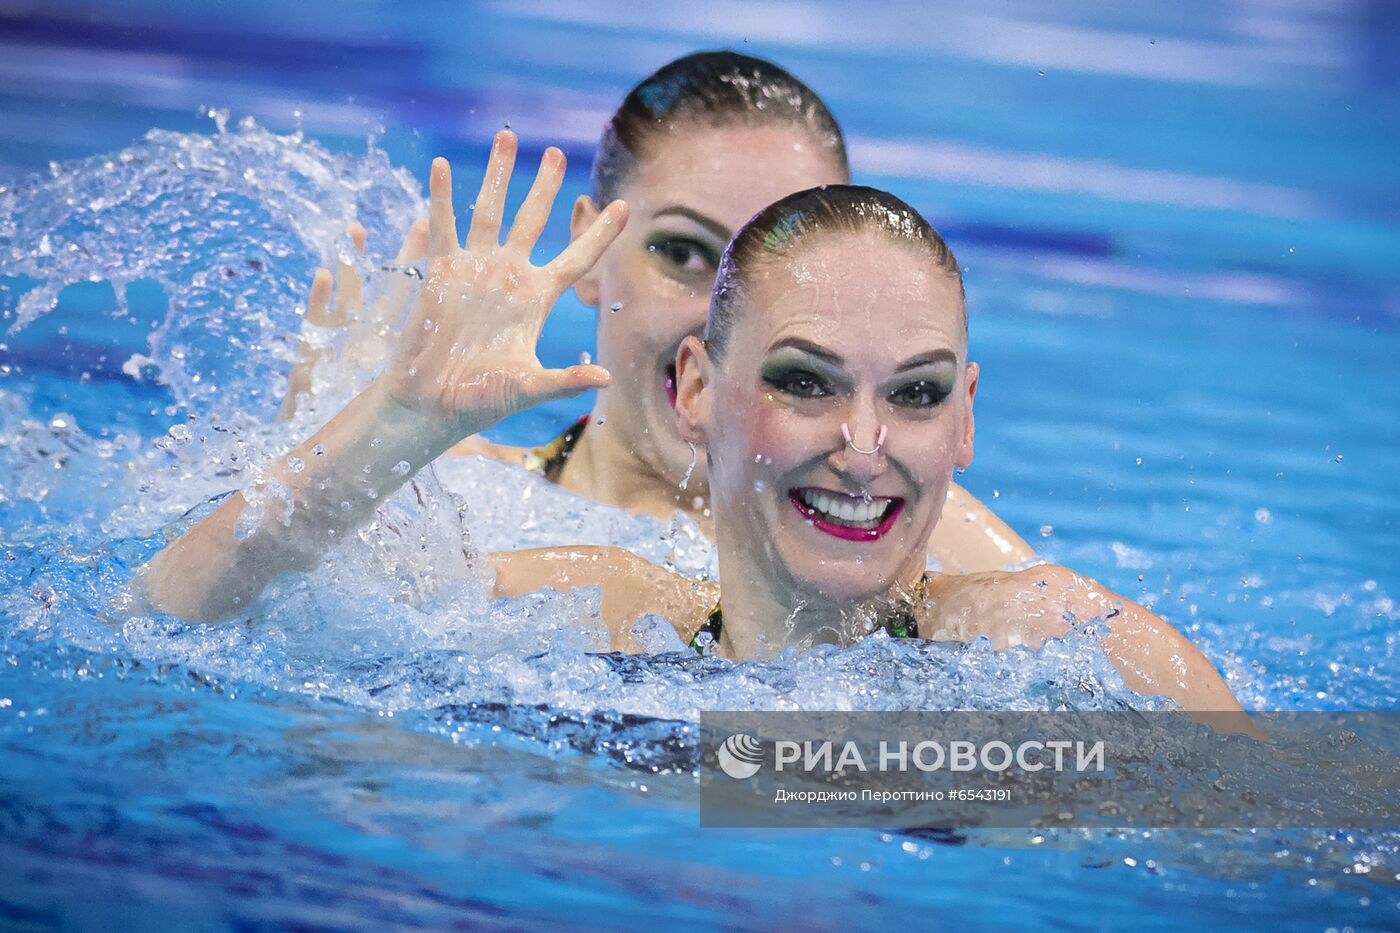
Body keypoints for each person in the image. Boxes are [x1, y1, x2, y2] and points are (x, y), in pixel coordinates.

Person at [142, 133, 1254, 732]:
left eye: (913, 395)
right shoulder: (593, 616)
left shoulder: (1060, 647)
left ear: (965, 419)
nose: (864, 444)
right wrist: (394, 422)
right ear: (694, 391)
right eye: (804, 383)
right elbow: (161, 623)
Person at [279, 52, 1033, 573]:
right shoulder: (448, 498)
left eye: (786, 269)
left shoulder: (922, 540)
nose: (724, 315)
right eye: (684, 252)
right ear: (587, 251)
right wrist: (357, 442)